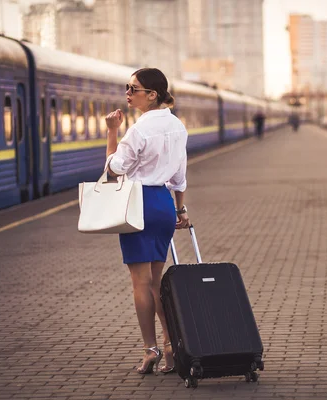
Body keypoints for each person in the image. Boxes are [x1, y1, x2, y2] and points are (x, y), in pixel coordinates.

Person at [104, 68, 190, 375]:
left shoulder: (138, 130)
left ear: (151, 95)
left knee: (140, 283)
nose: (127, 92)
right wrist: (180, 211)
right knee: (156, 282)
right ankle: (171, 347)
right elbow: (179, 177)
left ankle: (150, 349)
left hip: (136, 205)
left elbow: (114, 169)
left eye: (133, 88)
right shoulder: (178, 127)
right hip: (163, 206)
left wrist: (112, 131)